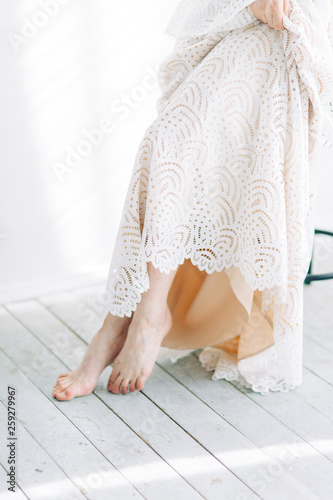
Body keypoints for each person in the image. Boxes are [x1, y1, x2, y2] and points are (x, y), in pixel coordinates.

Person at [53, 0, 333, 400]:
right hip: (242, 31)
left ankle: (141, 318)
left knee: (174, 144)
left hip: (297, 40)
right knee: (167, 142)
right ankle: (122, 321)